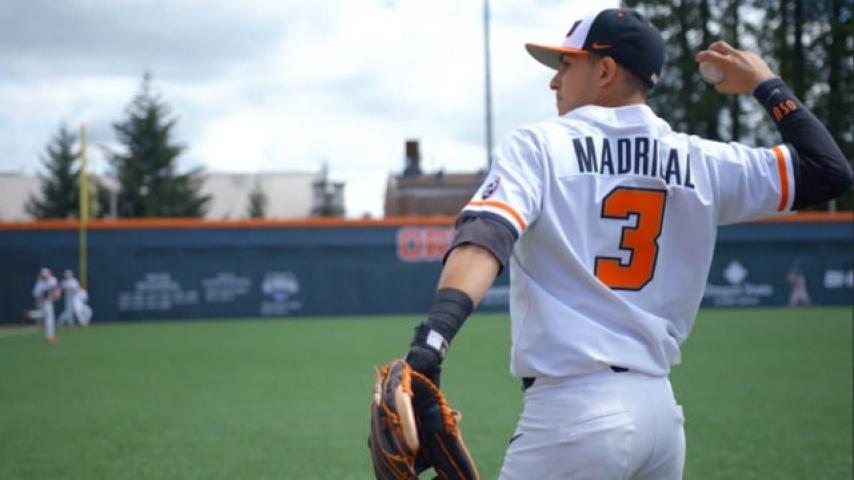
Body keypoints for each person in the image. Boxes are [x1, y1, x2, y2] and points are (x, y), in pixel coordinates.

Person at [400, 7, 852, 480]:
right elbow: (828, 171)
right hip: (660, 417)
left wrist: (433, 340)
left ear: (605, 71)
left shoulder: (539, 145)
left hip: (573, 413)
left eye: (566, 65)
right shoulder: (701, 160)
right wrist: (766, 83)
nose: (554, 81)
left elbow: (486, 237)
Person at [30, 268, 61, 344]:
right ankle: (50, 337)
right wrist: (44, 294)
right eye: (44, 276)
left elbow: (56, 288)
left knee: (46, 316)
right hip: (44, 302)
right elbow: (35, 295)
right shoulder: (39, 284)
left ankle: (31, 314)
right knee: (49, 318)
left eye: (47, 275)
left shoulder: (52, 279)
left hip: (49, 301)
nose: (46, 277)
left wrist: (56, 293)